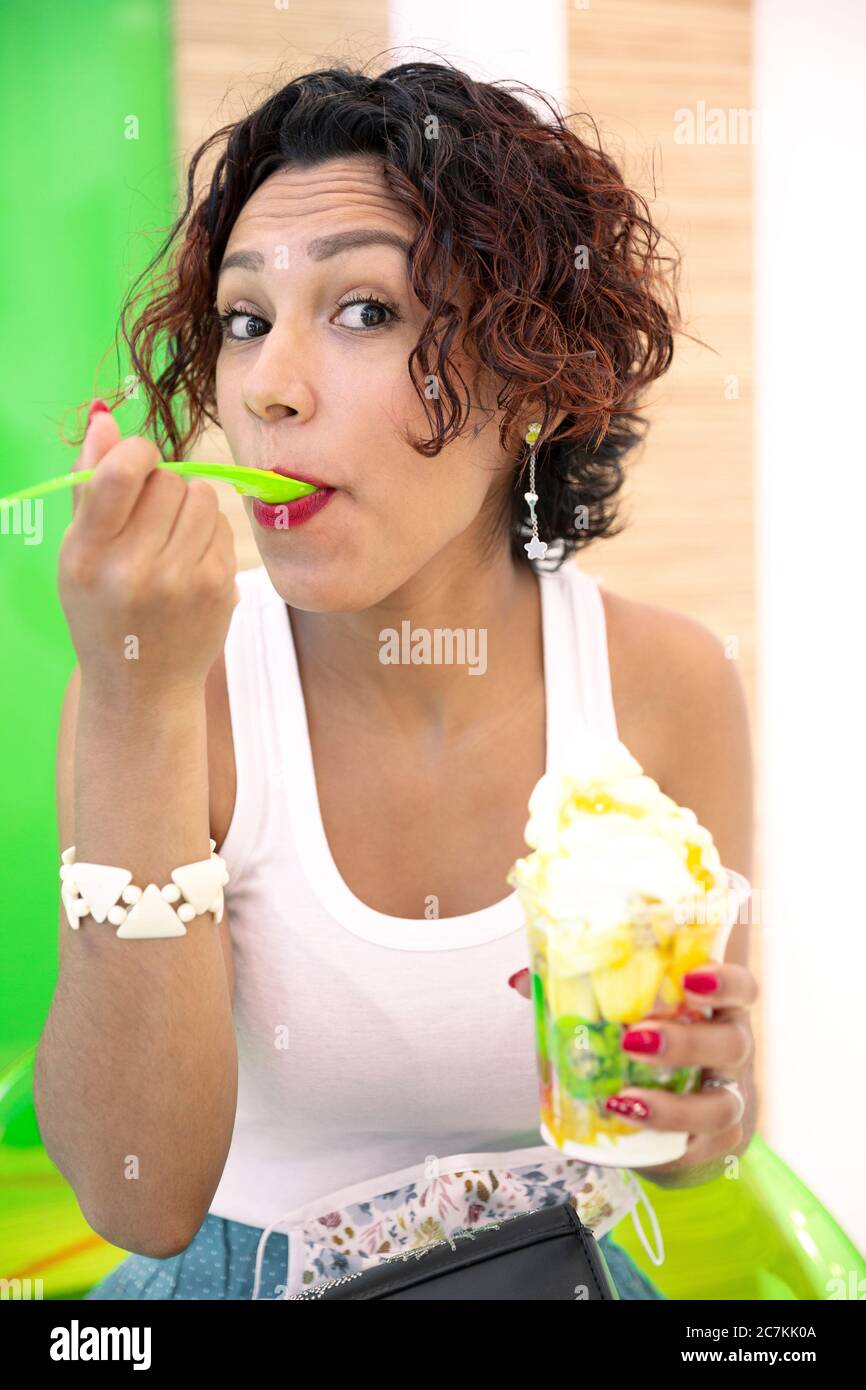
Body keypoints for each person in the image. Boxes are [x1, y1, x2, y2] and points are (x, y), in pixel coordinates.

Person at [37, 59, 758, 1301]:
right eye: (247, 319)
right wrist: (132, 699)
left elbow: (703, 1121)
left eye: (363, 310)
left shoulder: (668, 683)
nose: (267, 386)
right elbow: (136, 1195)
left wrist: (705, 1112)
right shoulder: (176, 685)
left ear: (528, 377)